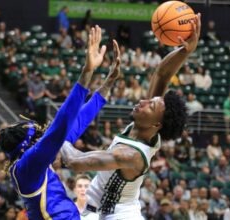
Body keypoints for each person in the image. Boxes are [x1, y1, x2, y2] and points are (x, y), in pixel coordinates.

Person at [61, 14, 201, 219]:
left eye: (150, 105)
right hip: (103, 211)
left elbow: (74, 161)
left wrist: (53, 132)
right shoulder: (148, 127)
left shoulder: (130, 154)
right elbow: (162, 74)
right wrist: (185, 50)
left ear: (156, 123)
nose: (143, 101)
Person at [0, 25, 120, 220]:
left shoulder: (32, 165)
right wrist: (86, 71)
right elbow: (61, 125)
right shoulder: (27, 166)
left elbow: (75, 124)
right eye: (38, 136)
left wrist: (109, 81)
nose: (42, 136)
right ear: (28, 146)